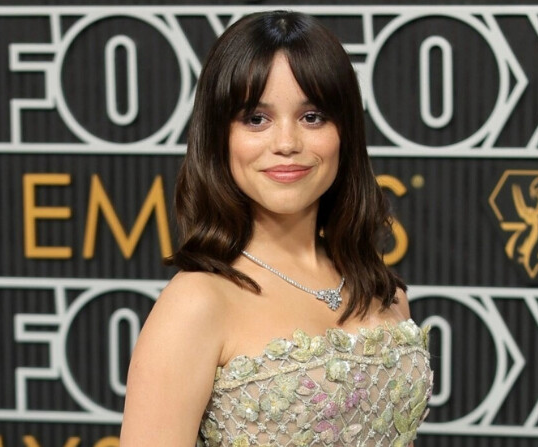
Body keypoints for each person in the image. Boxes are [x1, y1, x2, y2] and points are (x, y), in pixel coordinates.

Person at [120, 10, 432, 447]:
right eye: (256, 119)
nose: (286, 143)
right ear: (219, 137)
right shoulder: (197, 302)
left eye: (312, 117)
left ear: (345, 132)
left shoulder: (383, 290)